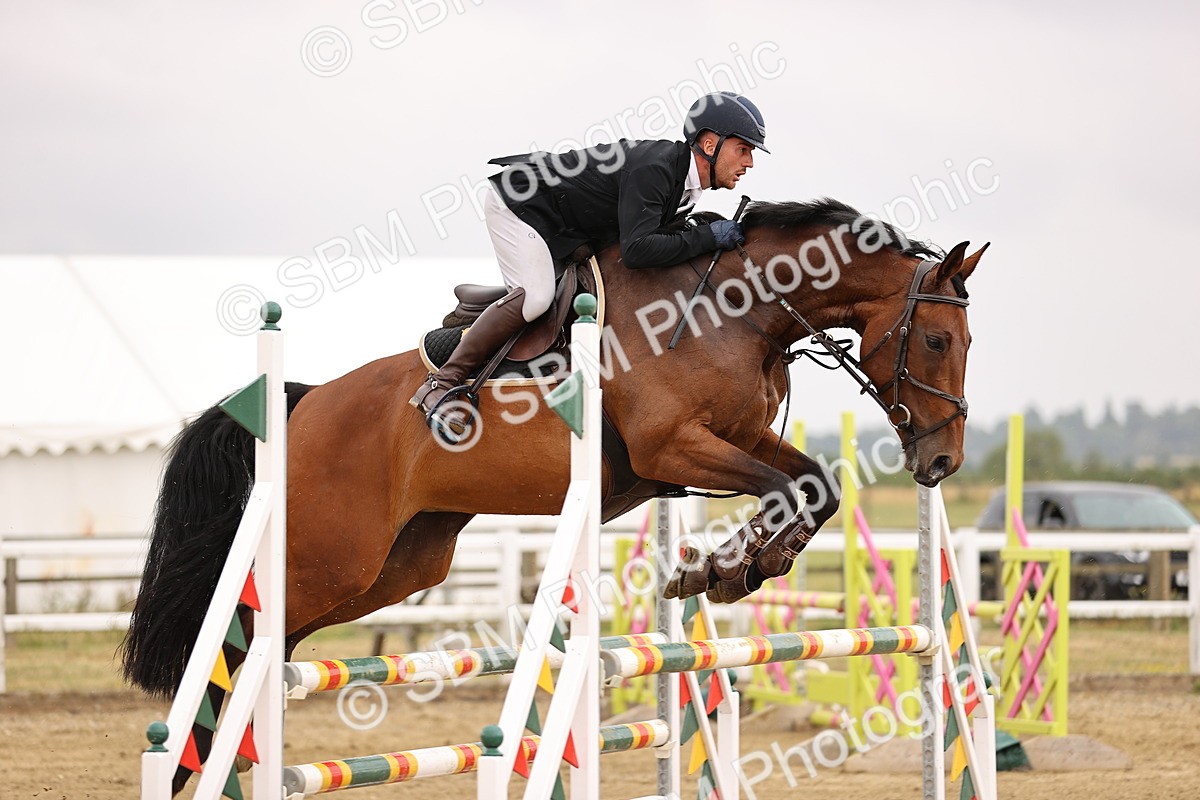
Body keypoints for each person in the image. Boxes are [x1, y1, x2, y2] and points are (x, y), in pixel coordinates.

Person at [410, 91, 769, 438]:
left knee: (564, 287)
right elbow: (638, 250)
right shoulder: (657, 168)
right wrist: (708, 238)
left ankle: (493, 306)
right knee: (536, 300)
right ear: (710, 144)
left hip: (564, 223)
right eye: (743, 150)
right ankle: (443, 382)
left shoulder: (688, 186)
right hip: (520, 205)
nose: (749, 163)